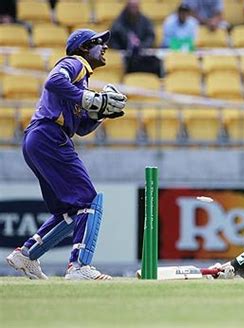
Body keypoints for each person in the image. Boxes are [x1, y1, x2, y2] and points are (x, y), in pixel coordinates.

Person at [5, 29, 127, 280]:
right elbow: (53, 81)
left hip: (41, 139)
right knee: (89, 201)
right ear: (83, 48)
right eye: (98, 43)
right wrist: (90, 98)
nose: (104, 47)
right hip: (49, 136)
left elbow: (81, 128)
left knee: (69, 211)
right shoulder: (75, 63)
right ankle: (79, 266)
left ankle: (26, 255)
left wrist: (102, 112)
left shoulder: (80, 80)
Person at [109, 0, 162, 76]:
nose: (134, 10)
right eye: (132, 7)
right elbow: (113, 39)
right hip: (125, 56)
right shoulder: (119, 22)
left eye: (136, 7)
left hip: (142, 54)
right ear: (127, 7)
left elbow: (150, 36)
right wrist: (120, 49)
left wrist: (143, 45)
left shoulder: (144, 20)